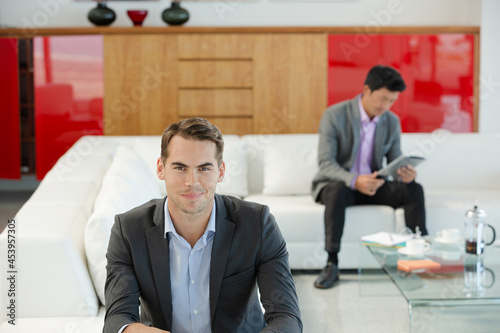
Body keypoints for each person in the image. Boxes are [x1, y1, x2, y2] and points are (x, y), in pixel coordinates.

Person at [104, 118, 302, 333]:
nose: (192, 182)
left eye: (204, 168)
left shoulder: (258, 223)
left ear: (221, 171)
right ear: (161, 169)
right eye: (180, 167)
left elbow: (286, 316)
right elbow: (117, 319)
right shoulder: (128, 230)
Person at [311, 65, 428, 289]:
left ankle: (417, 259)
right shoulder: (334, 115)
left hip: (374, 184)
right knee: (336, 190)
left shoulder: (391, 121)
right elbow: (325, 163)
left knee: (415, 189)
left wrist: (405, 173)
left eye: (392, 101)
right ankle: (331, 263)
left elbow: (394, 160)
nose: (386, 106)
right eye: (383, 99)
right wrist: (355, 180)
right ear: (366, 90)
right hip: (341, 185)